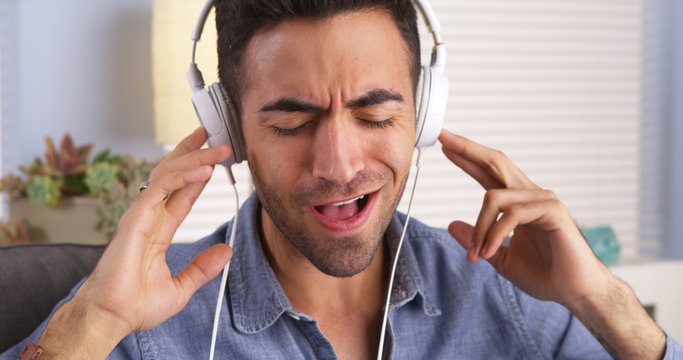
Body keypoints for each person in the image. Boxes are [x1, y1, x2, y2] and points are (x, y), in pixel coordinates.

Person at [2, 0, 681, 359]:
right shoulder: (151, 329)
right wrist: (92, 323)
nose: (339, 165)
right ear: (231, 135)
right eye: (291, 123)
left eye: (375, 113)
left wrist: (603, 301)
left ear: (421, 115)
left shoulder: (507, 294)